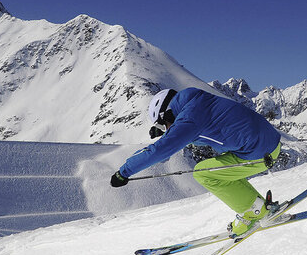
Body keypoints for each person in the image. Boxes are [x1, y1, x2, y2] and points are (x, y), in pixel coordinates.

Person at [110, 87, 282, 236]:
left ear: (166, 114)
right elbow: (200, 130)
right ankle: (257, 208)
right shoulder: (196, 100)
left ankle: (254, 213)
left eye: (164, 125)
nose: (166, 129)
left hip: (259, 154)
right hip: (268, 144)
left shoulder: (189, 120)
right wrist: (166, 132)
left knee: (204, 174)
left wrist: (123, 172)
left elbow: (159, 151)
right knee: (219, 171)